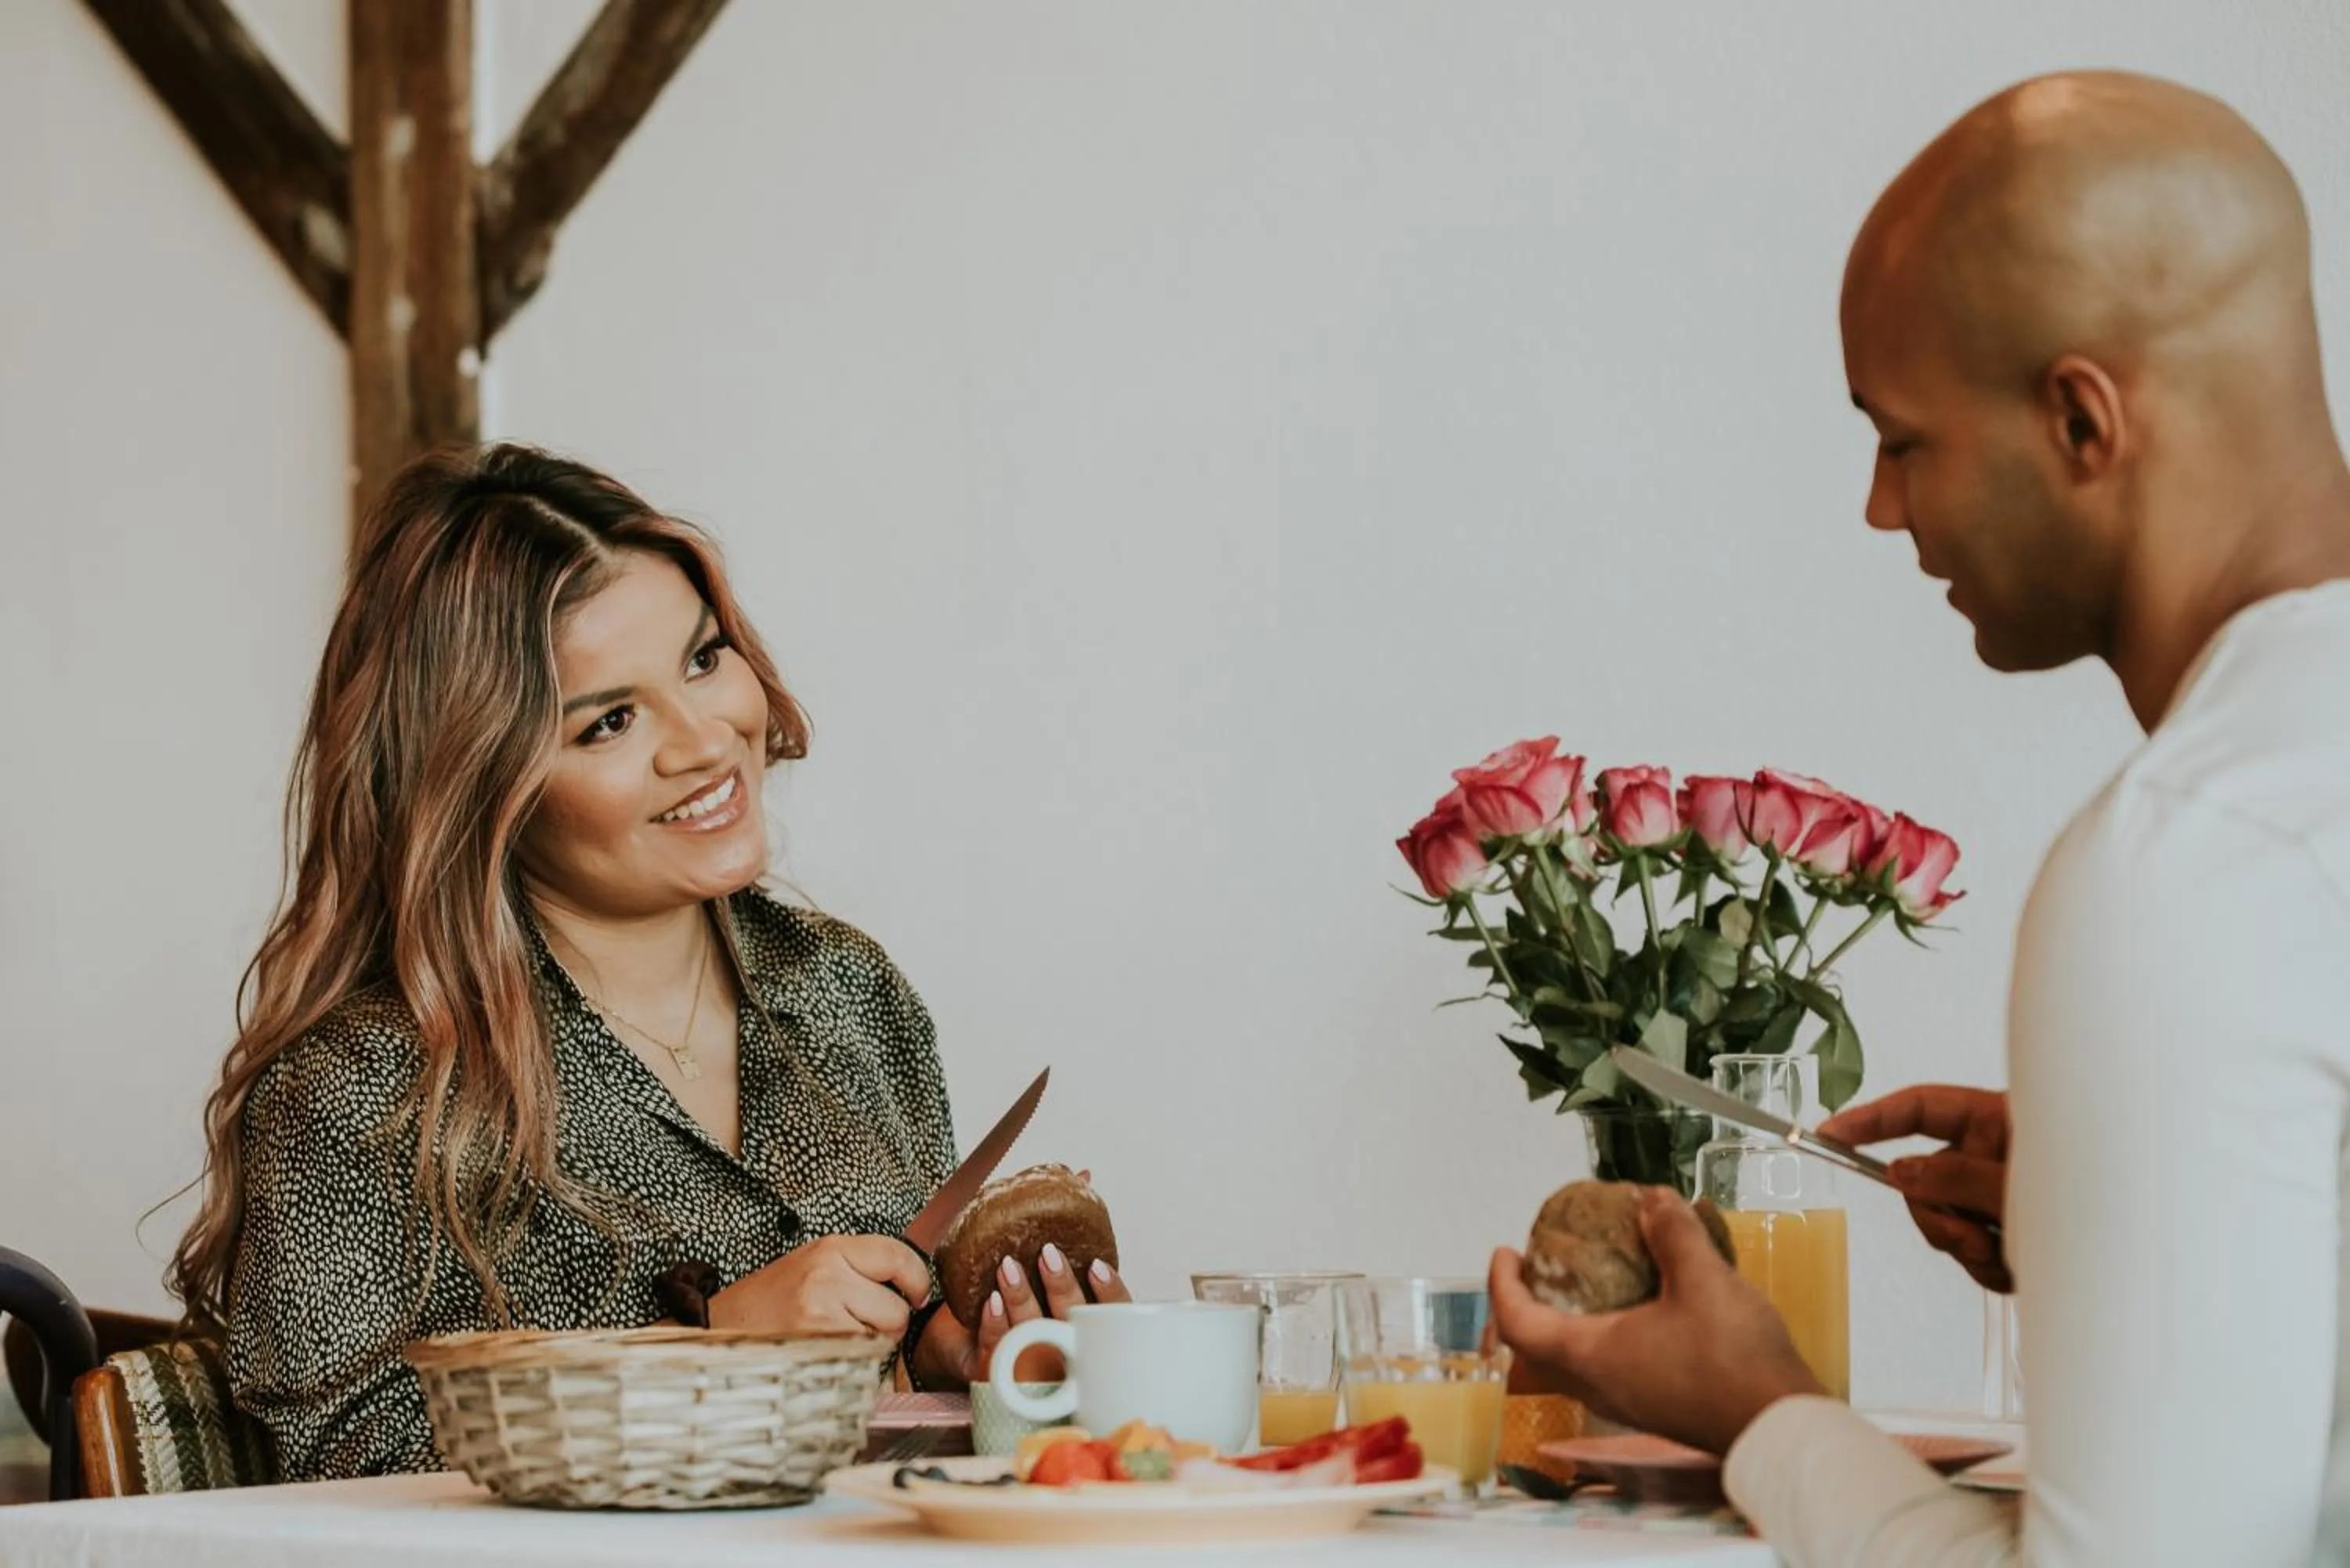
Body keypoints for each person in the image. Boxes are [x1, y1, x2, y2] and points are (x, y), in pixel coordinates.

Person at [1491, 70, 2350, 1564]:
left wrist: (1761, 1410)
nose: (1883, 511)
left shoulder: (2191, 860)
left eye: (1904, 440)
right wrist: (2175, 1202)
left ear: (2083, 419)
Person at [168, 444, 1127, 1480]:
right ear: (486, 784)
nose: (704, 740)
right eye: (611, 721)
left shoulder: (852, 994)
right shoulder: (360, 1085)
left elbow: (890, 1403)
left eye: (704, 659)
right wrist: (705, 1348)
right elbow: (337, 1463)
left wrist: (964, 1362)